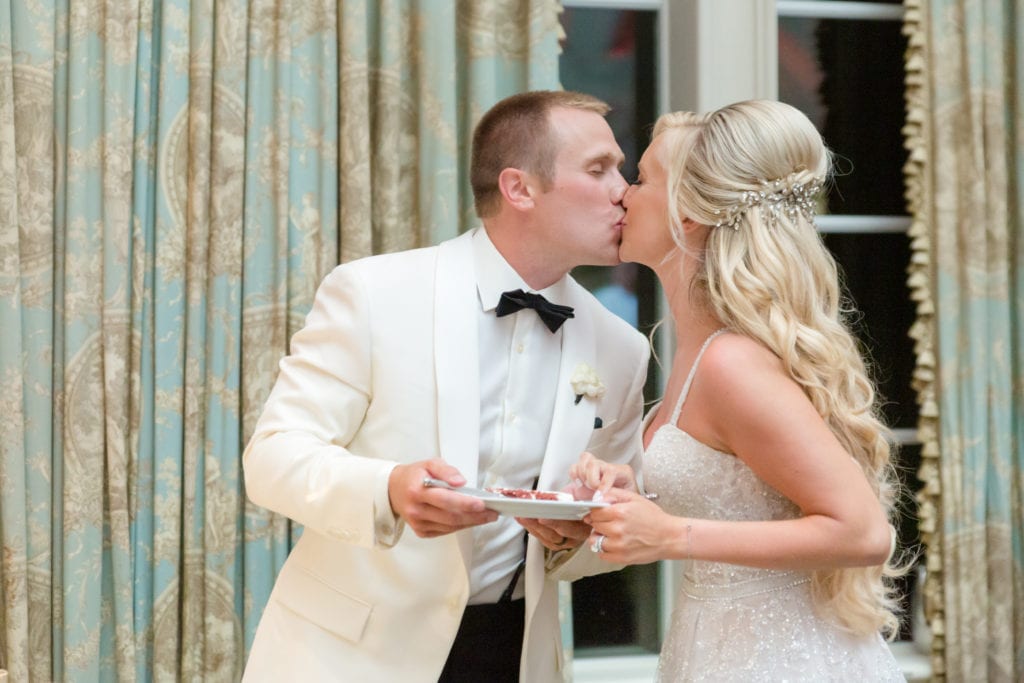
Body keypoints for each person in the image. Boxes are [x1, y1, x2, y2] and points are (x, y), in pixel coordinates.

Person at [241, 90, 649, 683]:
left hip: (514, 656)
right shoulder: (373, 293)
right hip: (352, 656)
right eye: (599, 169)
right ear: (520, 189)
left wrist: (581, 531)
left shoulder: (621, 347)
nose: (623, 189)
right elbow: (273, 457)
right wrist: (389, 489)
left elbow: (597, 545)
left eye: (623, 169)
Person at [570, 99, 907, 681]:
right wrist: (633, 489)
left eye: (643, 178)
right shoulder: (700, 352)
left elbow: (863, 531)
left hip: (780, 660)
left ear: (690, 215)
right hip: (716, 647)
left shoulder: (731, 363)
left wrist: (671, 535)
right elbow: (743, 493)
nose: (624, 193)